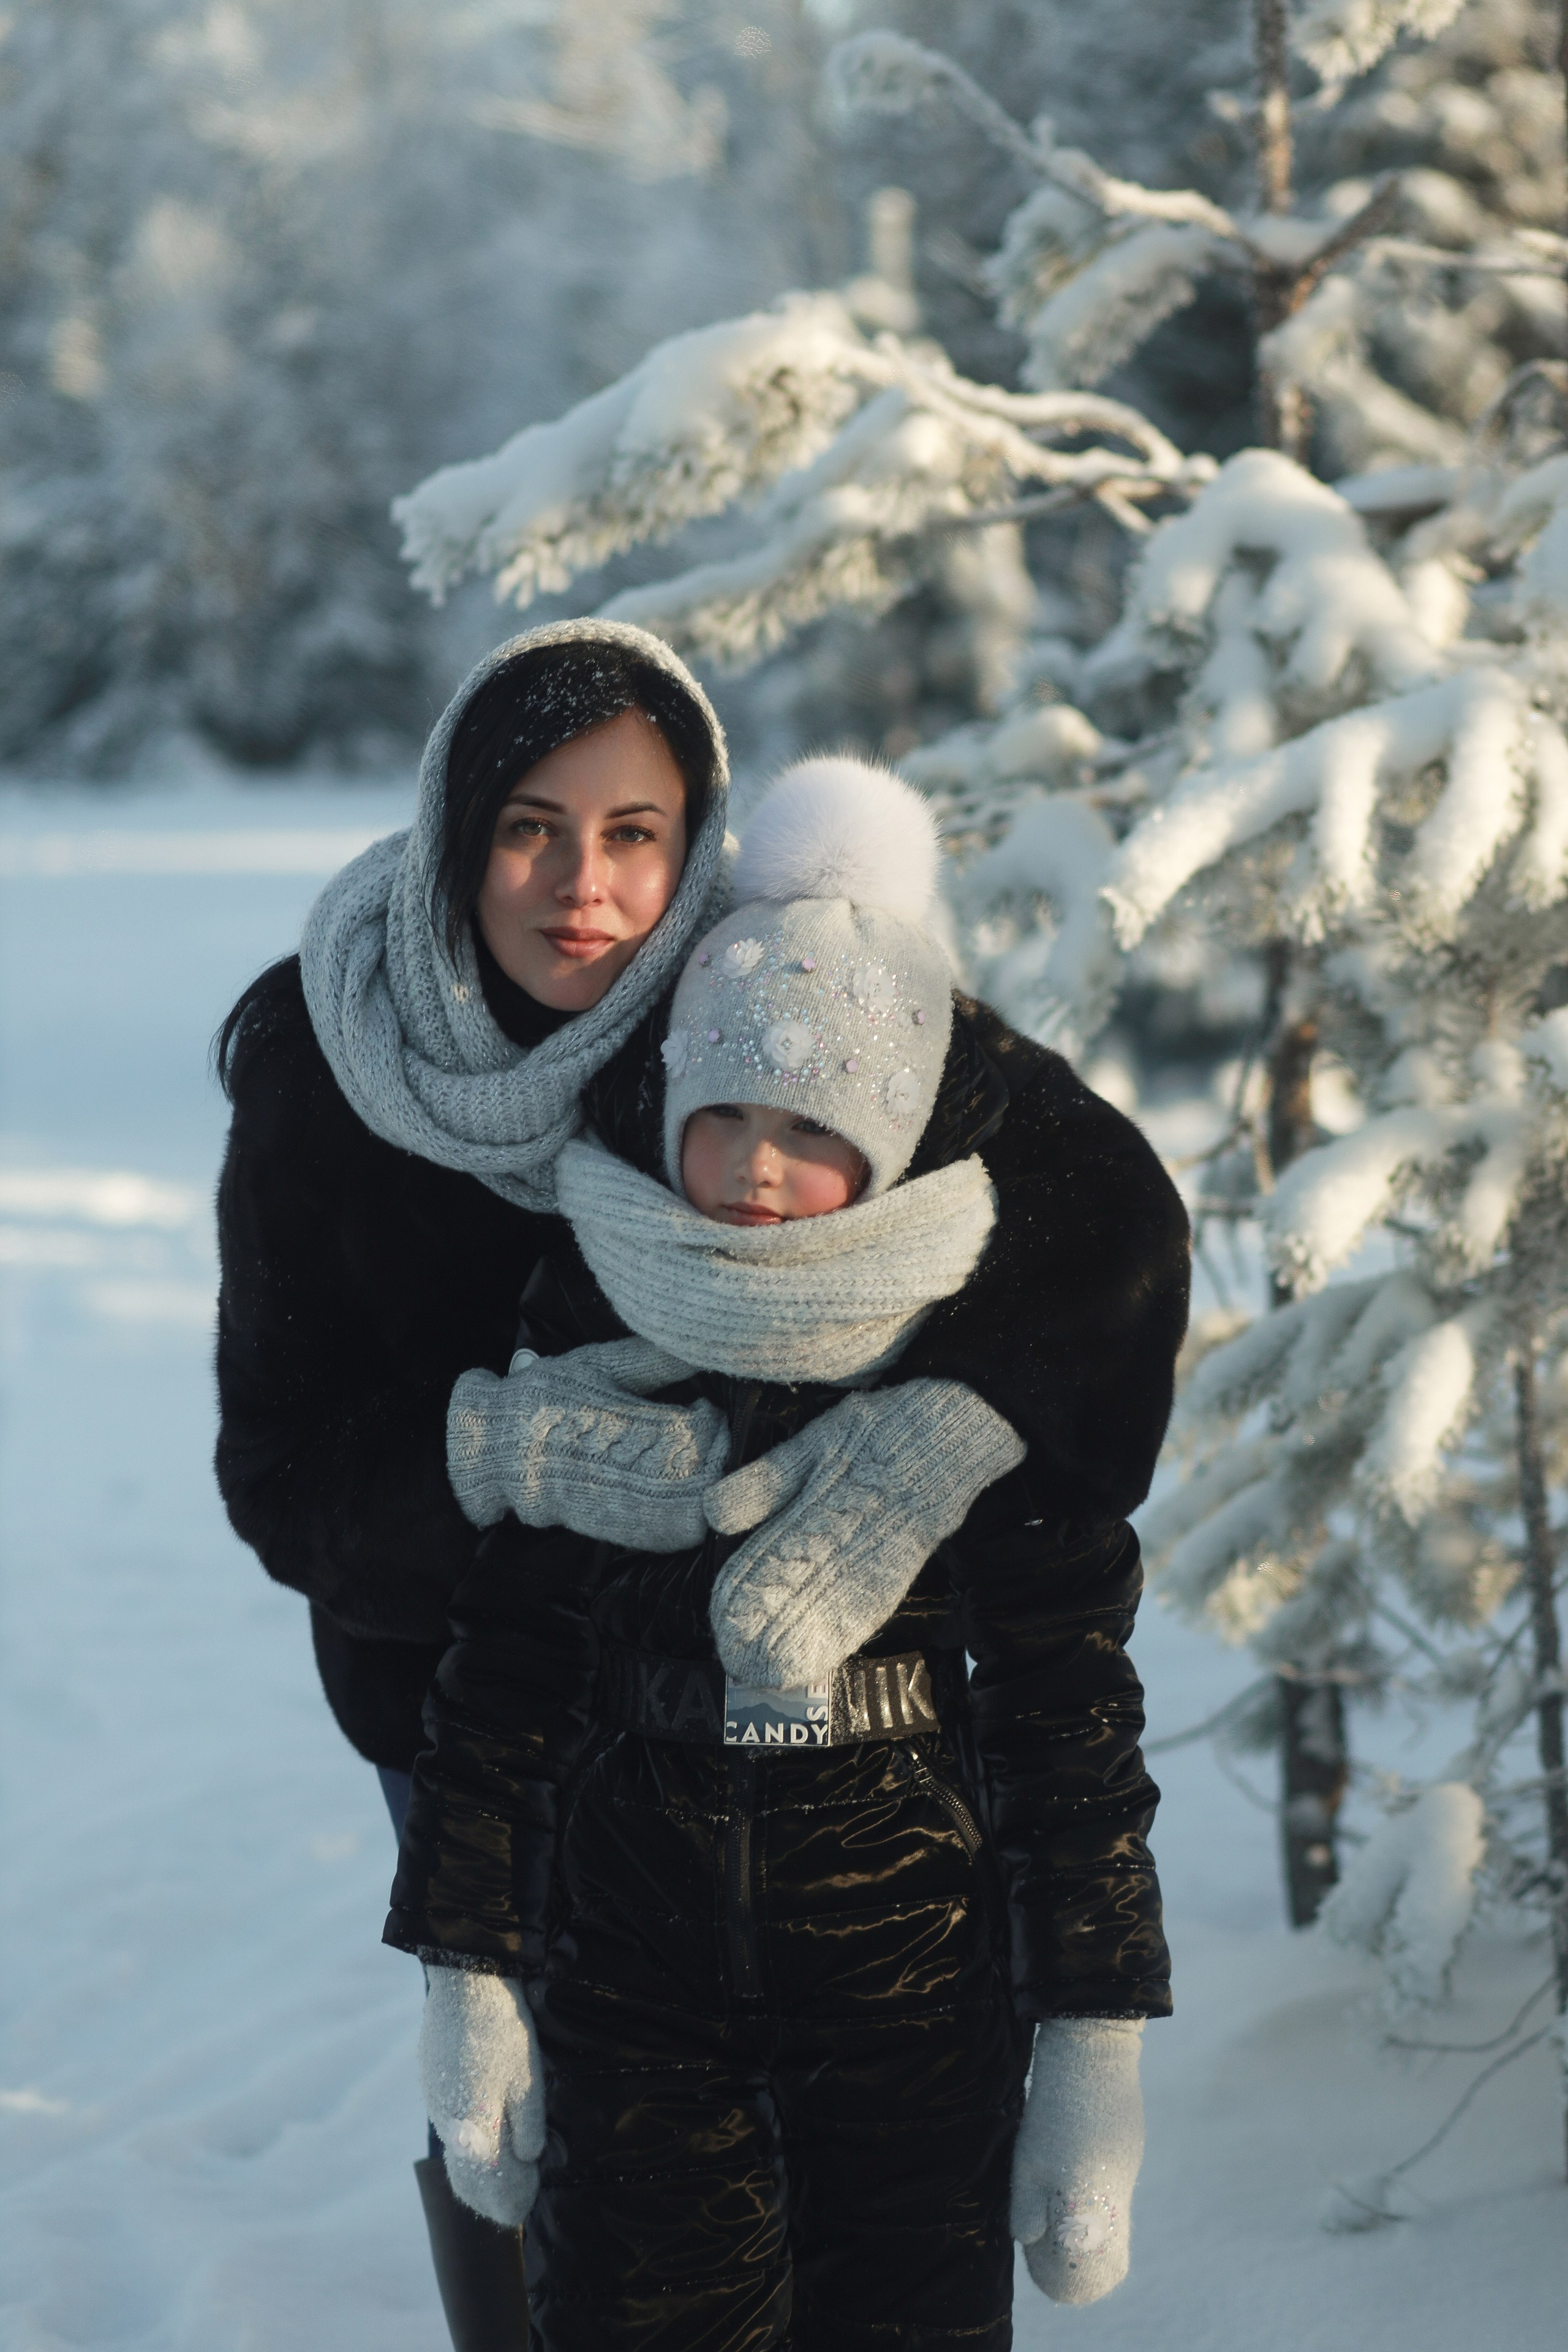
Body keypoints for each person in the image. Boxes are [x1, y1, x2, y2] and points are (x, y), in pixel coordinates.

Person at [214, 617, 1187, 2349]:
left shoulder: (750, 992)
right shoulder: (327, 1051)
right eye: (529, 826)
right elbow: (286, 1474)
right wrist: (501, 1455)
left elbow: (1103, 1216)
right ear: (457, 830)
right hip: (466, 1681)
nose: (582, 885)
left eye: (635, 832)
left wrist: (946, 1429)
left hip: (798, 1730)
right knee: (530, 2134)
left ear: (699, 846)